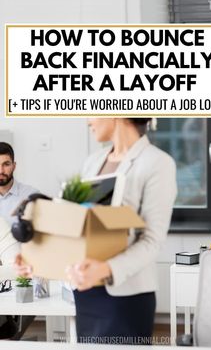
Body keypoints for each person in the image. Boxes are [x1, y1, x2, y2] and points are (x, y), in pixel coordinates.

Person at [16, 118, 177, 344]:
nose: (87, 120)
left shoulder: (157, 163)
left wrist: (105, 269)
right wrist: (37, 261)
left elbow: (152, 241)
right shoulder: (93, 162)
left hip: (125, 297)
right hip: (87, 293)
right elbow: (76, 228)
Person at [0, 142, 38, 339]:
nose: (1, 170)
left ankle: (10, 333)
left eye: (6, 164)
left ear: (14, 165)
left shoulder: (30, 196)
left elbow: (41, 237)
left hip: (23, 267)